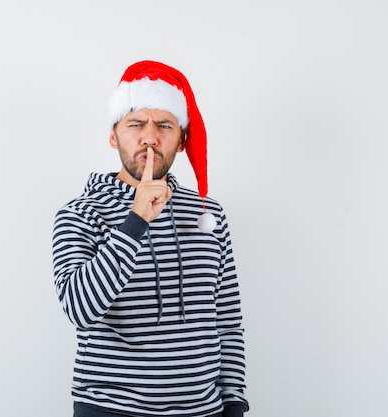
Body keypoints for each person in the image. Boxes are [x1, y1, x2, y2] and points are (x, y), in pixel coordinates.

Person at [52, 60, 249, 417]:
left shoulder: (208, 215)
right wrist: (136, 220)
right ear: (113, 136)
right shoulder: (80, 214)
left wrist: (233, 404)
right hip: (109, 409)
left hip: (203, 410)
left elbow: (227, 321)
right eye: (136, 124)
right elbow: (79, 308)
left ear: (181, 139)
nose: (150, 137)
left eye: (164, 125)